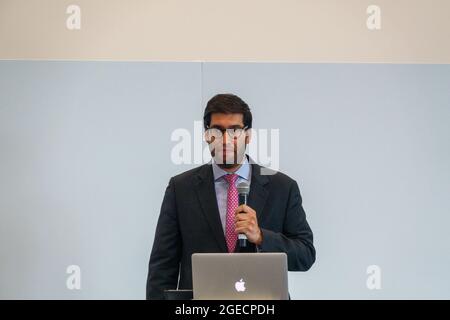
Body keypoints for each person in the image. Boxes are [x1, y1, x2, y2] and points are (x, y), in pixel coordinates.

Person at [146, 93, 315, 299]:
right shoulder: (181, 188)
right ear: (207, 135)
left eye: (235, 130)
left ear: (248, 135)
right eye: (217, 130)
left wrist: (262, 236)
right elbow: (162, 266)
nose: (225, 140)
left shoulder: (283, 187)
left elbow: (306, 255)